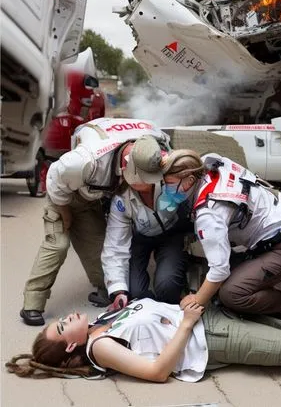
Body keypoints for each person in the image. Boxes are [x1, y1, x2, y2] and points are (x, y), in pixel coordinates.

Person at [20, 117, 170, 327]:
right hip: (63, 195)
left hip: (90, 200)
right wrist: (65, 213)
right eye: (141, 180)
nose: (145, 186)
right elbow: (54, 177)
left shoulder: (155, 142)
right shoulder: (85, 161)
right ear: (126, 165)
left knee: (99, 253)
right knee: (58, 245)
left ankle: (103, 289)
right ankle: (32, 303)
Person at [6, 298, 281, 381]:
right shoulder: (98, 346)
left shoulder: (102, 322)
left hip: (210, 315)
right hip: (211, 336)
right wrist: (186, 323)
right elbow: (155, 371)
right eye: (59, 327)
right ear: (70, 346)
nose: (64, 318)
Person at [160, 149, 281, 321]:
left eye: (169, 183)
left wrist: (197, 301)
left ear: (190, 180)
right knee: (213, 280)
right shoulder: (208, 163)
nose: (166, 187)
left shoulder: (208, 214)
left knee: (231, 294)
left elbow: (219, 270)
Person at [101, 141, 199, 310]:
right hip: (141, 237)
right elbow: (115, 246)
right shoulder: (121, 199)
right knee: (135, 294)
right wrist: (118, 291)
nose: (147, 184)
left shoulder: (171, 176)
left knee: (167, 288)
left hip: (172, 233)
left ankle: (181, 271)